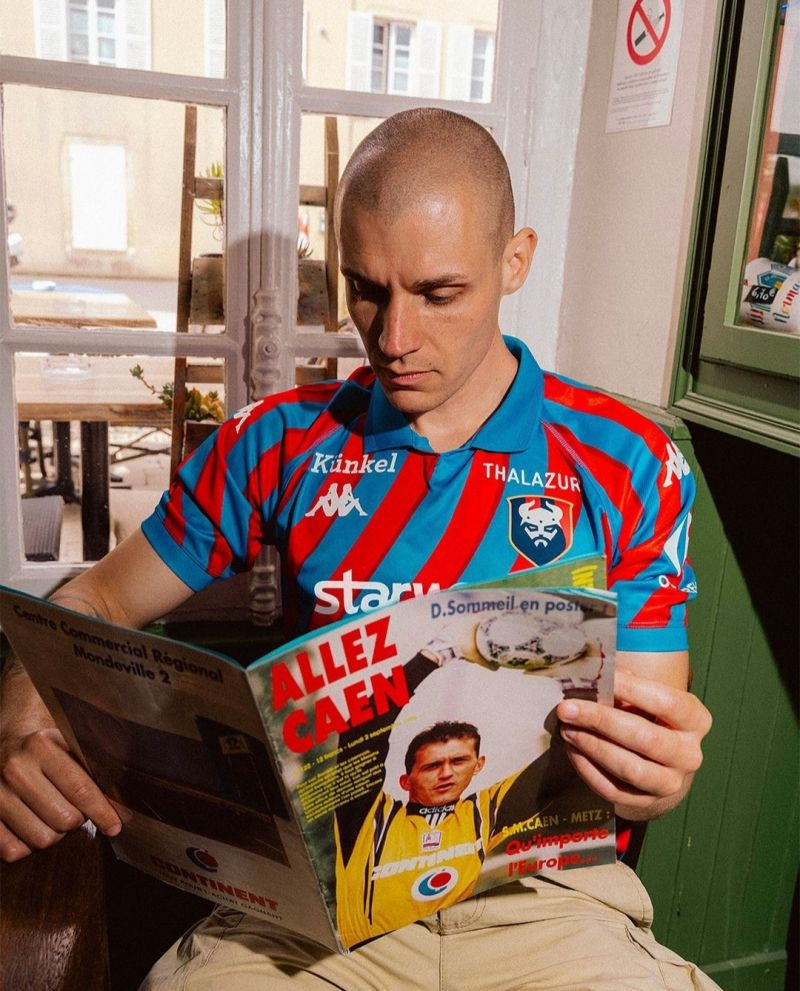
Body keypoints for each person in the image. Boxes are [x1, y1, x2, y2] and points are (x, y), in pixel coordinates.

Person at [0, 108, 718, 990]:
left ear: (515, 260)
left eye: (439, 293)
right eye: (366, 288)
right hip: (314, 912)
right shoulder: (277, 442)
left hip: (546, 901)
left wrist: (656, 775)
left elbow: (648, 724)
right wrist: (21, 704)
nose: (393, 336)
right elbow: (95, 604)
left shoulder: (626, 459)